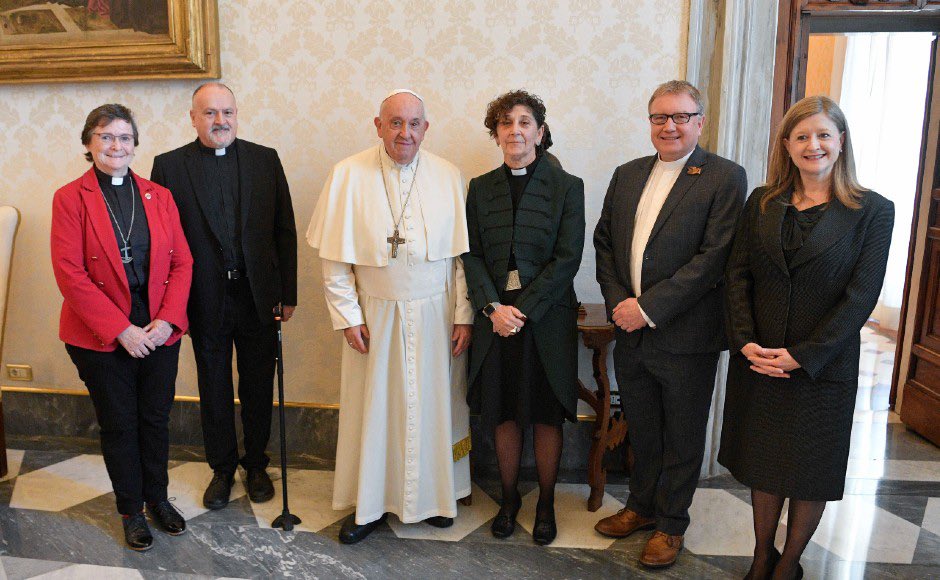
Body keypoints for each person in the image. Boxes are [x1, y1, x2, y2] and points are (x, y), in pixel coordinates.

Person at [718, 95, 894, 580]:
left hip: (823, 369)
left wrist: (802, 356)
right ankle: (761, 557)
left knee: (810, 470)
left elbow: (860, 299)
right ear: (787, 145)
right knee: (763, 466)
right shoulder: (762, 202)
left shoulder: (873, 211)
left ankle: (788, 565)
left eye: (823, 135)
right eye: (801, 136)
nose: (812, 145)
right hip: (760, 359)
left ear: (840, 142)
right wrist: (745, 341)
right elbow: (737, 276)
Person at [307, 89, 473, 544]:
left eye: (414, 123)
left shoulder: (448, 175)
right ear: (377, 125)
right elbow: (336, 261)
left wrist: (463, 314)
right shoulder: (347, 175)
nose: (405, 133)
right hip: (375, 313)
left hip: (436, 312)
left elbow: (461, 259)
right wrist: (347, 316)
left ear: (426, 128)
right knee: (374, 409)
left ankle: (435, 499)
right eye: (395, 123)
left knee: (434, 406)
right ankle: (370, 505)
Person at [593, 80, 747, 568]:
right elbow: (604, 245)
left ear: (700, 122)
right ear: (650, 123)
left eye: (681, 116)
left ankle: (671, 525)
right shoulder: (627, 174)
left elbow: (713, 257)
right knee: (643, 427)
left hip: (686, 335)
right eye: (660, 117)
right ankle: (640, 507)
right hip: (631, 330)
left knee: (682, 434)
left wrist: (648, 307)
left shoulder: (724, 177)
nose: (670, 126)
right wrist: (621, 302)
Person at [51, 104, 193, 550]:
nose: (117, 146)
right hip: (100, 336)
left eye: (125, 138)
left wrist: (165, 321)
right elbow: (69, 273)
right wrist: (121, 330)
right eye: (107, 137)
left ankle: (158, 500)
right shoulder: (69, 198)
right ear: (89, 143)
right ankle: (131, 510)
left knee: (155, 420)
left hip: (157, 330)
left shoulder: (158, 195)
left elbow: (181, 262)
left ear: (135, 144)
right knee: (119, 424)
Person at [150, 83, 298, 510]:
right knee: (212, 384)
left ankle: (255, 464)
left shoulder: (264, 159)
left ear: (237, 114)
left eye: (227, 112)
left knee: (257, 384)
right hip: (203, 297)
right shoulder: (169, 167)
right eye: (210, 113)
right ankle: (221, 468)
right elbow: (163, 243)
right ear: (193, 117)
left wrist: (287, 292)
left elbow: (283, 229)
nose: (220, 121)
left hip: (258, 295)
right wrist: (168, 305)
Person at [462, 90, 584, 546]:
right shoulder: (479, 188)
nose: (515, 130)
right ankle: (509, 498)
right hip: (494, 320)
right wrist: (493, 308)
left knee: (546, 414)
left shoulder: (568, 187)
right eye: (506, 123)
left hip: (546, 319)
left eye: (525, 121)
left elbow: (567, 259)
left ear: (541, 131)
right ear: (495, 134)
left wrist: (524, 311)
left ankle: (547, 502)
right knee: (504, 411)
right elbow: (470, 254)